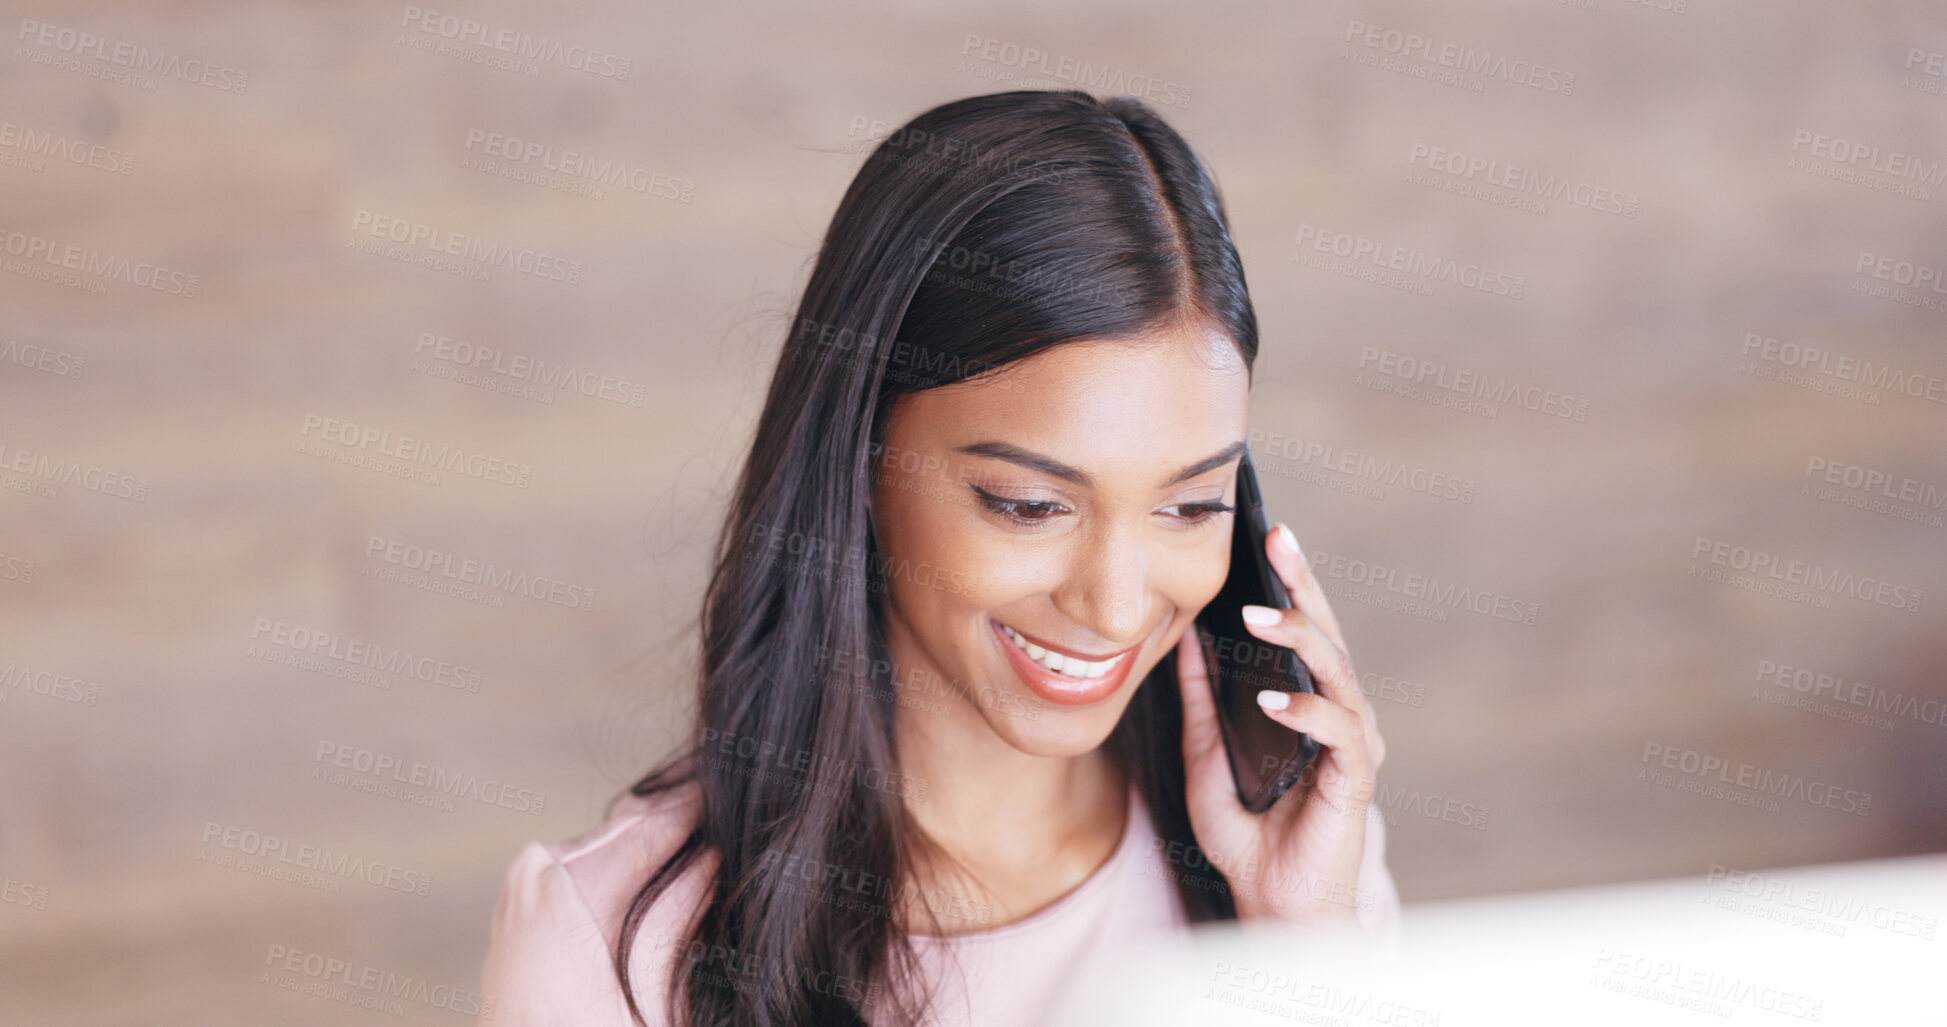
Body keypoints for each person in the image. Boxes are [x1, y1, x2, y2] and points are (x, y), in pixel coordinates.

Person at [476, 89, 1397, 1027]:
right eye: (1029, 505)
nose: (1117, 607)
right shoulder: (614, 941)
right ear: (863, 459)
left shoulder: (1296, 854)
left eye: (1191, 504)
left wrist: (1303, 948)